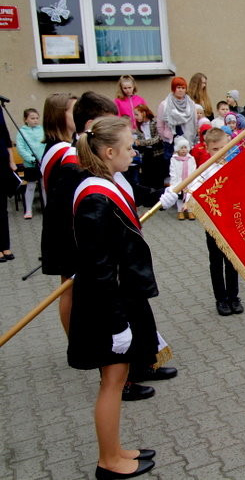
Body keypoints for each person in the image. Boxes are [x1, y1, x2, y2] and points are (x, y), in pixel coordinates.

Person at [69, 117, 176, 479]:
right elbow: (100, 268)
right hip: (106, 304)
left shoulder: (107, 183)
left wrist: (164, 197)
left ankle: (115, 449)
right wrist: (117, 325)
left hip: (118, 297)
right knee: (112, 382)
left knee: (118, 377)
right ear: (109, 152)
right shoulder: (95, 198)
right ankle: (108, 461)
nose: (135, 152)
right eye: (130, 147)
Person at [186, 127, 243, 316]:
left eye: (224, 148)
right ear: (206, 148)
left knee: (232, 260)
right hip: (213, 225)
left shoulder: (232, 165)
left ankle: (234, 297)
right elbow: (191, 190)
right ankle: (221, 299)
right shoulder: (203, 172)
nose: (220, 153)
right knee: (216, 261)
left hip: (231, 222)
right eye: (215, 149)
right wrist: (189, 202)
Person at [40, 92, 79, 330]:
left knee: (72, 285)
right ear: (59, 116)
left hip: (63, 225)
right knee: (70, 287)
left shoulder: (60, 147)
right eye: (72, 110)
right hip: (66, 228)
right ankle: (74, 341)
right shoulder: (63, 150)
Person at [16, 108, 45, 219]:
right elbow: (21, 148)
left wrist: (44, 158)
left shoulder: (42, 130)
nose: (35, 120)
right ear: (25, 119)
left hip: (42, 163)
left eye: (37, 118)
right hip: (31, 164)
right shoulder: (22, 132)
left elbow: (46, 145)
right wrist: (31, 159)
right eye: (32, 118)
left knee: (43, 186)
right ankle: (28, 210)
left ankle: (46, 208)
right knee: (31, 186)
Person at [157, 77, 197, 153]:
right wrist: (165, 138)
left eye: (183, 88)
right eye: (178, 87)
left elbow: (195, 122)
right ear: (173, 88)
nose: (181, 90)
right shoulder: (164, 105)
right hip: (170, 141)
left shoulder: (191, 104)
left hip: (187, 139)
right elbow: (160, 125)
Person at [132, 104, 166, 190]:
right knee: (146, 177)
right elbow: (138, 139)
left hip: (157, 153)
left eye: (137, 114)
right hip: (146, 153)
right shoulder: (139, 126)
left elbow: (157, 138)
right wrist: (141, 143)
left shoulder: (155, 122)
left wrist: (143, 143)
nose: (135, 117)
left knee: (158, 177)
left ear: (144, 113)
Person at [0, 109, 15, 262]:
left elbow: (5, 135)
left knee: (2, 209)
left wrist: (11, 160)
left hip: (1, 163)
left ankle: (5, 245)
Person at [169, 137, 196, 220]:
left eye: (185, 148)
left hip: (189, 182)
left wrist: (193, 181)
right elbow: (172, 171)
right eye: (181, 148)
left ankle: (190, 210)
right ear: (177, 149)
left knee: (189, 195)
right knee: (180, 197)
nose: (184, 150)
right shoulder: (174, 159)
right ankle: (180, 211)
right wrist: (174, 183)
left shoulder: (191, 158)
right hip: (179, 181)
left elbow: (194, 169)